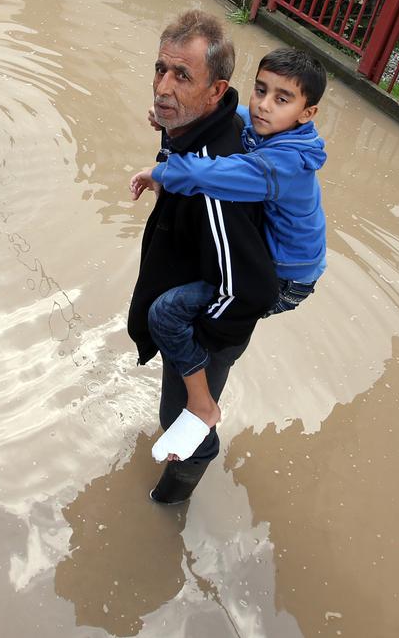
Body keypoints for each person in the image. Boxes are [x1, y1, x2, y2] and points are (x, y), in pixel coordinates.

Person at [130, 48, 327, 464]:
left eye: (281, 99)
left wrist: (161, 172)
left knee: (167, 315)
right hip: (278, 261)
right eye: (260, 90)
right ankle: (198, 407)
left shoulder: (281, 164)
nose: (262, 105)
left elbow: (215, 175)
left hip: (286, 280)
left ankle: (201, 408)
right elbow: (231, 114)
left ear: (306, 114)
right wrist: (175, 118)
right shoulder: (269, 130)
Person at [127, 10, 278, 506]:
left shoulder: (218, 180)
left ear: (217, 91)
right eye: (160, 70)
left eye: (182, 76)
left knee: (184, 420)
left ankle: (174, 491)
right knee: (182, 406)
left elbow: (251, 289)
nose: (162, 87)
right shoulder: (189, 123)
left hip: (208, 327)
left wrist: (192, 353)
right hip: (193, 306)